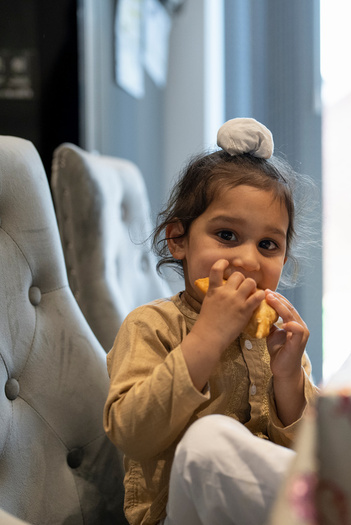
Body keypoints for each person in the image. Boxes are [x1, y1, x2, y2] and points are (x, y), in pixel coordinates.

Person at [103, 118, 319, 525]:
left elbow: (309, 449)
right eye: (227, 235)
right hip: (179, 514)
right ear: (178, 239)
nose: (249, 260)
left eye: (268, 245)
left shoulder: (276, 338)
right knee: (207, 439)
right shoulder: (151, 326)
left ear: (283, 259)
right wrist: (209, 335)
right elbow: (131, 431)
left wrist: (289, 379)